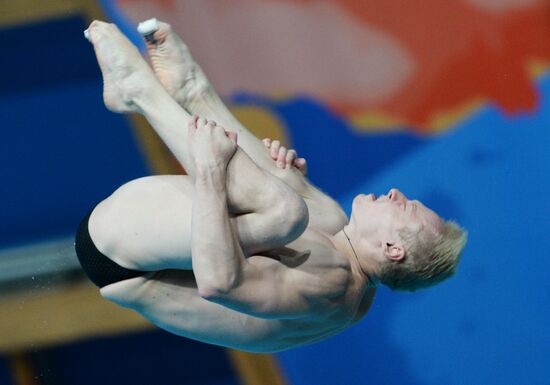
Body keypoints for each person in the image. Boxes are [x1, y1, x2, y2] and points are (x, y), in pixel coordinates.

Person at [75, 20, 467, 353]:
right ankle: (192, 92)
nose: (399, 195)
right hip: (145, 241)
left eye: (409, 208)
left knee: (286, 212)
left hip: (124, 258)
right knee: (295, 200)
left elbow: (219, 283)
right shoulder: (343, 255)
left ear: (392, 250)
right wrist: (283, 176)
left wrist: (212, 172)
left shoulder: (335, 286)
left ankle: (142, 93)